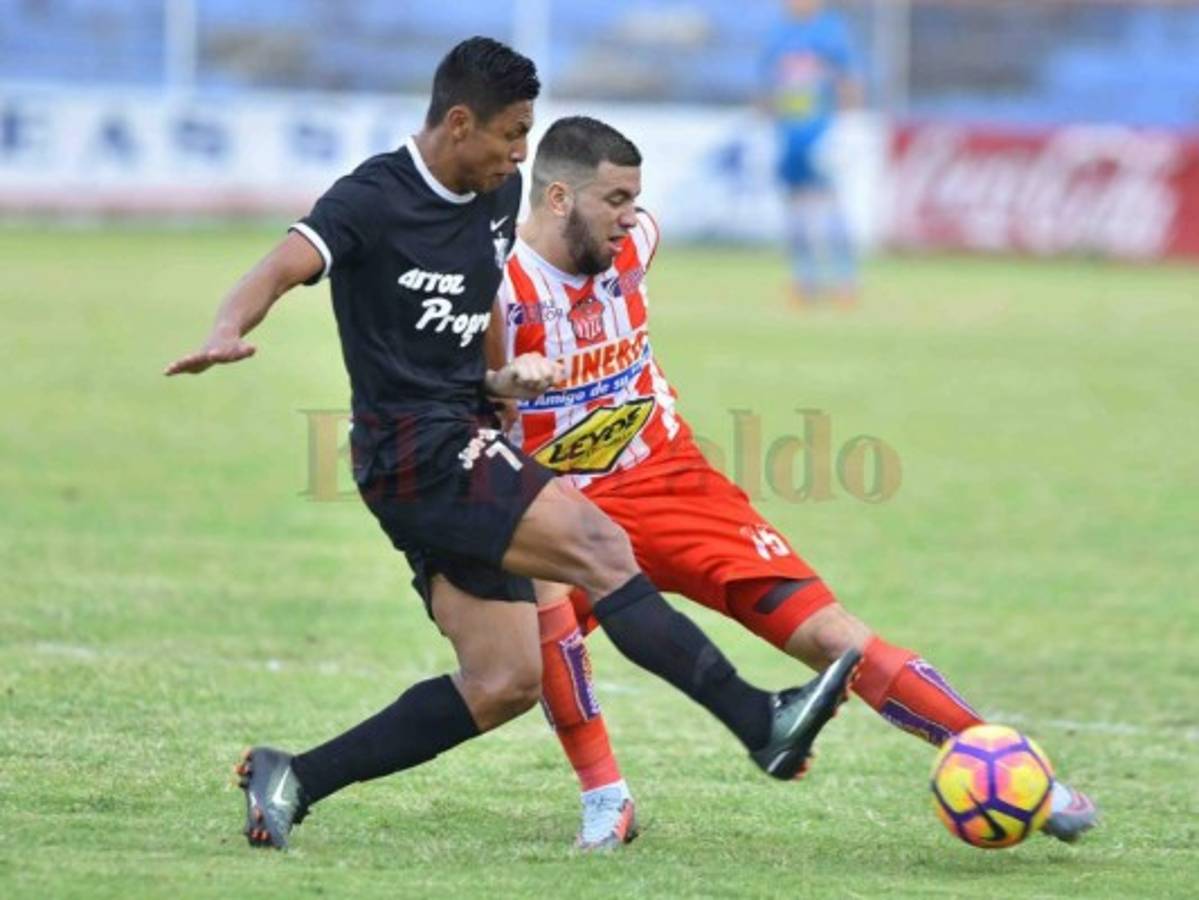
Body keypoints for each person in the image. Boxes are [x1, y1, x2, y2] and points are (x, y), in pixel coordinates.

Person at [165, 38, 860, 851]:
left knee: (503, 682)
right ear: (460, 123)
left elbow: (485, 290)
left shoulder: (494, 197)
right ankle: (757, 719)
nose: (520, 153)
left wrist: (500, 376)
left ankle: (294, 777)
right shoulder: (372, 198)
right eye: (511, 133)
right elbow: (279, 268)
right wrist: (223, 328)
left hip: (455, 439)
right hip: (413, 452)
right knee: (601, 545)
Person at [488, 115, 1099, 850]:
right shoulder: (499, 285)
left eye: (634, 201)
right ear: (557, 199)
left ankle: (1007, 762)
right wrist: (506, 385)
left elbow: (626, 243)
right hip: (559, 504)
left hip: (670, 481)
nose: (631, 218)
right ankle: (604, 798)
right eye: (614, 200)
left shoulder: (637, 242)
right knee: (539, 629)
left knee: (828, 637)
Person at [762, 0, 862, 305]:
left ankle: (845, 280)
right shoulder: (778, 33)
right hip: (789, 137)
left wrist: (844, 128)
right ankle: (804, 280)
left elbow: (849, 80)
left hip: (821, 134)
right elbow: (769, 85)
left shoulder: (831, 32)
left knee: (829, 206)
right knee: (795, 210)